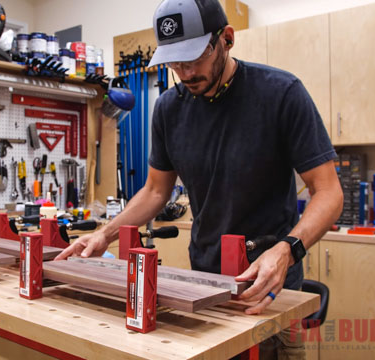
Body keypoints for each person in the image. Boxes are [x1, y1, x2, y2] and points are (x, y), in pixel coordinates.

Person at [56, 0, 343, 357]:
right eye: (175, 63)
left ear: (226, 39)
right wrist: (103, 235)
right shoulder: (168, 109)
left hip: (269, 288)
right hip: (204, 285)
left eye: (194, 58)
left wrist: (288, 249)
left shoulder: (281, 93)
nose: (186, 73)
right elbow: (155, 191)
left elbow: (329, 192)